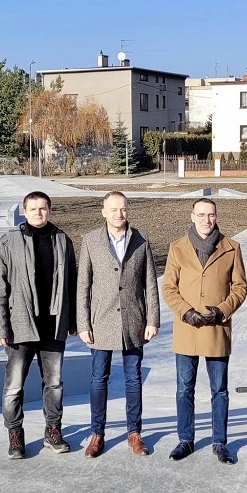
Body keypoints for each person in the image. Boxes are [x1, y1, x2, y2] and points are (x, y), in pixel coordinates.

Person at [0, 191, 77, 459]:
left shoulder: (62, 240)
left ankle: (53, 430)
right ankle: (15, 434)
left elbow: (72, 284)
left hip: (53, 327)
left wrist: (74, 321)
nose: (39, 213)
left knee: (54, 384)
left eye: (43, 208)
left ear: (50, 210)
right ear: (25, 212)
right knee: (14, 386)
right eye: (33, 209)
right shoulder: (9, 241)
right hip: (20, 327)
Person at [162, 198, 247, 464]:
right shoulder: (177, 248)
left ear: (216, 216)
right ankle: (185, 439)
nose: (206, 220)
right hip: (187, 329)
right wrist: (185, 311)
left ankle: (219, 442)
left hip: (216, 329)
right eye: (200, 215)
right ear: (192, 216)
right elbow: (169, 288)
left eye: (210, 215)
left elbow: (240, 288)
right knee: (184, 388)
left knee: (219, 389)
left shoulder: (231, 247)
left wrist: (222, 311)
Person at [76, 191, 160, 458]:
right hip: (100, 321)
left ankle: (134, 433)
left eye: (123, 209)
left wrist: (152, 319)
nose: (119, 214)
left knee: (133, 378)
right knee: (98, 378)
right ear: (103, 212)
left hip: (133, 320)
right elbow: (83, 286)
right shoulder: (90, 241)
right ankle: (97, 433)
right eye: (113, 209)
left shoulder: (141, 239)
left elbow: (150, 283)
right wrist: (83, 323)